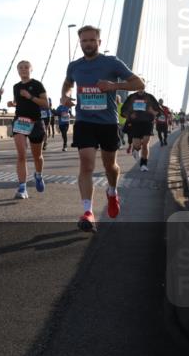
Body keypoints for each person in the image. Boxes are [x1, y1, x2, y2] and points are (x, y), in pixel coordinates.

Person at [61, 25, 144, 233]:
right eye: (84, 41)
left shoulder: (111, 62)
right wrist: (64, 95)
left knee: (110, 167)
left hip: (107, 123)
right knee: (86, 165)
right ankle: (88, 212)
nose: (87, 44)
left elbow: (138, 83)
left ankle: (112, 191)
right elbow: (67, 83)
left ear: (99, 42)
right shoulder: (74, 66)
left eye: (91, 40)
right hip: (84, 121)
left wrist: (113, 86)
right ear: (80, 43)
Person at [6, 60, 47, 199]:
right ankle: (22, 187)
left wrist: (30, 96)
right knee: (21, 155)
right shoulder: (16, 86)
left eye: (26, 67)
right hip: (20, 122)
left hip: (35, 122)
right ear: (17, 71)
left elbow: (45, 104)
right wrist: (13, 103)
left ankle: (38, 175)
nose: (23, 70)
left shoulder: (37, 84)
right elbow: (19, 101)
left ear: (31, 69)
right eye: (21, 68)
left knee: (37, 156)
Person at [121, 90, 162, 172]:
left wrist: (152, 112)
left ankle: (144, 164)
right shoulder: (132, 97)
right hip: (135, 124)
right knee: (137, 145)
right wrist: (130, 115)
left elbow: (159, 112)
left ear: (144, 87)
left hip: (147, 123)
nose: (140, 88)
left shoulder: (150, 97)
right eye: (138, 86)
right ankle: (135, 149)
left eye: (142, 86)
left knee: (146, 143)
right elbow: (123, 111)